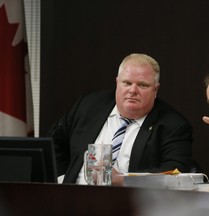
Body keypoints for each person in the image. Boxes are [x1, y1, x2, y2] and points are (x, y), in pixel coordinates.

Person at [49, 53, 195, 185]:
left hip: (130, 205)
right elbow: (54, 142)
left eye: (142, 85)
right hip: (74, 200)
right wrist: (64, 179)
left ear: (155, 90)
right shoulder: (88, 106)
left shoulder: (173, 125)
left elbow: (175, 173)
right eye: (127, 83)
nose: (132, 90)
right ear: (117, 82)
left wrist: (123, 180)